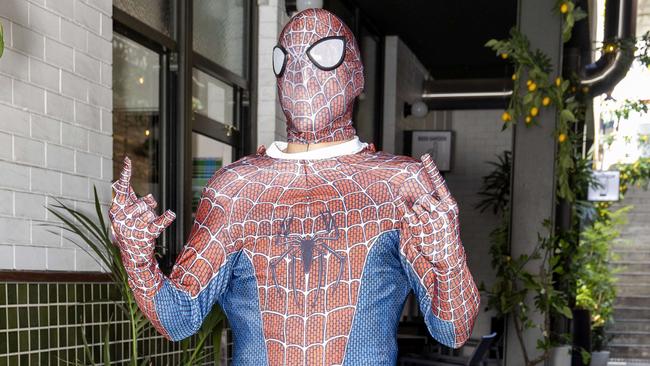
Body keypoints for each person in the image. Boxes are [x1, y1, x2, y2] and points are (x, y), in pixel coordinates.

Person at [109, 8, 480, 365]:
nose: (302, 71)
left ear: (356, 75)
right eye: (287, 58)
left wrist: (449, 261)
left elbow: (453, 332)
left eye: (325, 54)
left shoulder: (400, 184)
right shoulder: (236, 189)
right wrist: (139, 260)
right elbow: (179, 319)